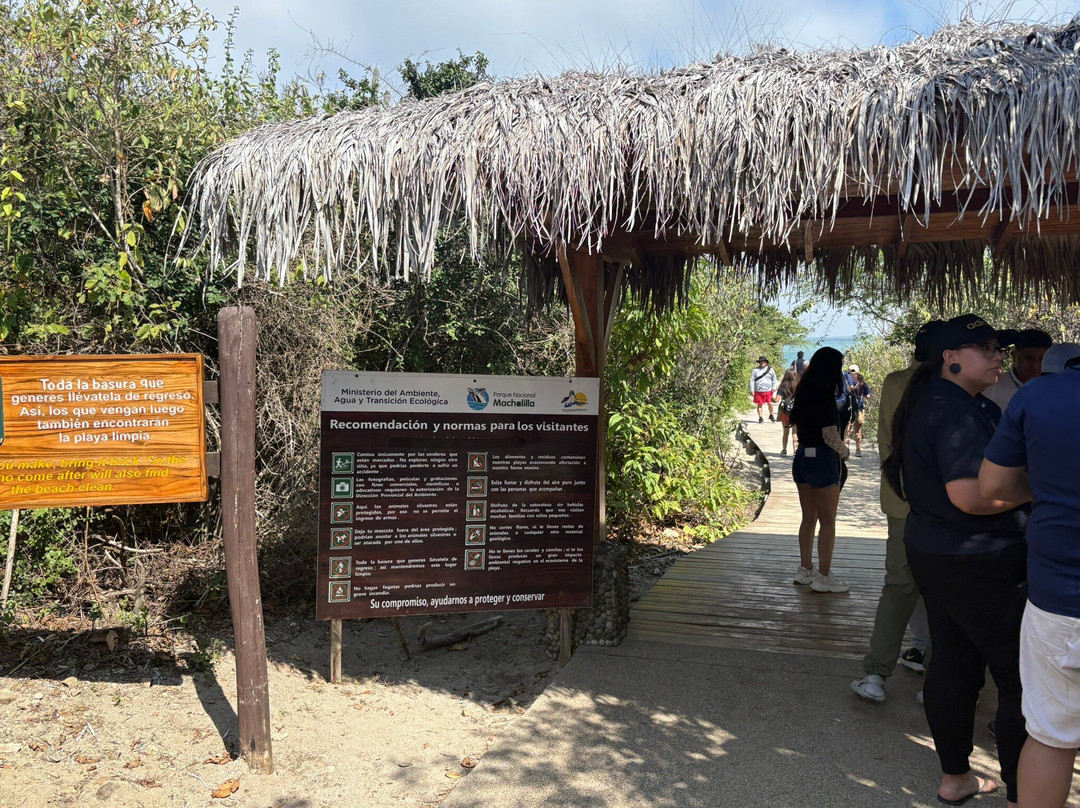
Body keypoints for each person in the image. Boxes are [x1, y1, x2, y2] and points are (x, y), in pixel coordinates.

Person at [884, 314, 1031, 807]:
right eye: (985, 347)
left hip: (939, 552)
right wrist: (1038, 489)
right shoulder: (953, 410)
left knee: (954, 661)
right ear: (950, 359)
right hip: (980, 559)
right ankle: (1023, 792)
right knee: (1018, 679)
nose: (998, 356)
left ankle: (956, 779)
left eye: (999, 348)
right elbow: (969, 495)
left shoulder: (941, 401)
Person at [979, 342, 1080, 808]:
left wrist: (1044, 491)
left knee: (1050, 736)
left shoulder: (1037, 398)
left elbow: (994, 485)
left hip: (1059, 596)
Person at [851, 320, 939, 704]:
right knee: (943, 594)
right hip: (947, 510)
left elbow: (885, 439)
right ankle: (938, 681)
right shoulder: (953, 388)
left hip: (900, 502)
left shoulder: (893, 381)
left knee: (898, 589)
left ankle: (874, 674)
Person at [788, 346, 850, 593]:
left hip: (802, 456)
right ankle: (824, 575)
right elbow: (830, 436)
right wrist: (845, 452)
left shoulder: (802, 392)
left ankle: (805, 569)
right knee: (828, 521)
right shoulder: (825, 397)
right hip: (823, 461)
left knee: (808, 517)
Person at [984, 328, 1052, 411]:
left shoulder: (1057, 388)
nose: (1035, 366)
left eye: (1042, 359)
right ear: (1014, 355)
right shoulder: (991, 387)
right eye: (1028, 358)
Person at [845, 365, 872, 457]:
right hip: (859, 409)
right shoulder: (862, 383)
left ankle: (846, 451)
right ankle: (858, 450)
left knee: (847, 431)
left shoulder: (846, 382)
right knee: (858, 430)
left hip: (848, 409)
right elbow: (868, 396)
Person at [776, 365, 799, 456]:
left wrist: (773, 400)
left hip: (785, 412)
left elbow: (777, 399)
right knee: (795, 432)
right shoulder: (799, 386)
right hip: (796, 411)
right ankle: (795, 450)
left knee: (785, 432)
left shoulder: (782, 387)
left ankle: (784, 450)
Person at [750, 356, 779, 423]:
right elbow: (752, 380)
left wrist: (774, 388)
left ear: (766, 362)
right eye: (760, 361)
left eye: (763, 361)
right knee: (759, 404)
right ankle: (760, 417)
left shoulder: (770, 369)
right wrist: (752, 390)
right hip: (758, 390)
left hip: (768, 390)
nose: (762, 363)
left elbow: (774, 379)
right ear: (759, 362)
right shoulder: (755, 370)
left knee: (770, 403)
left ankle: (771, 415)